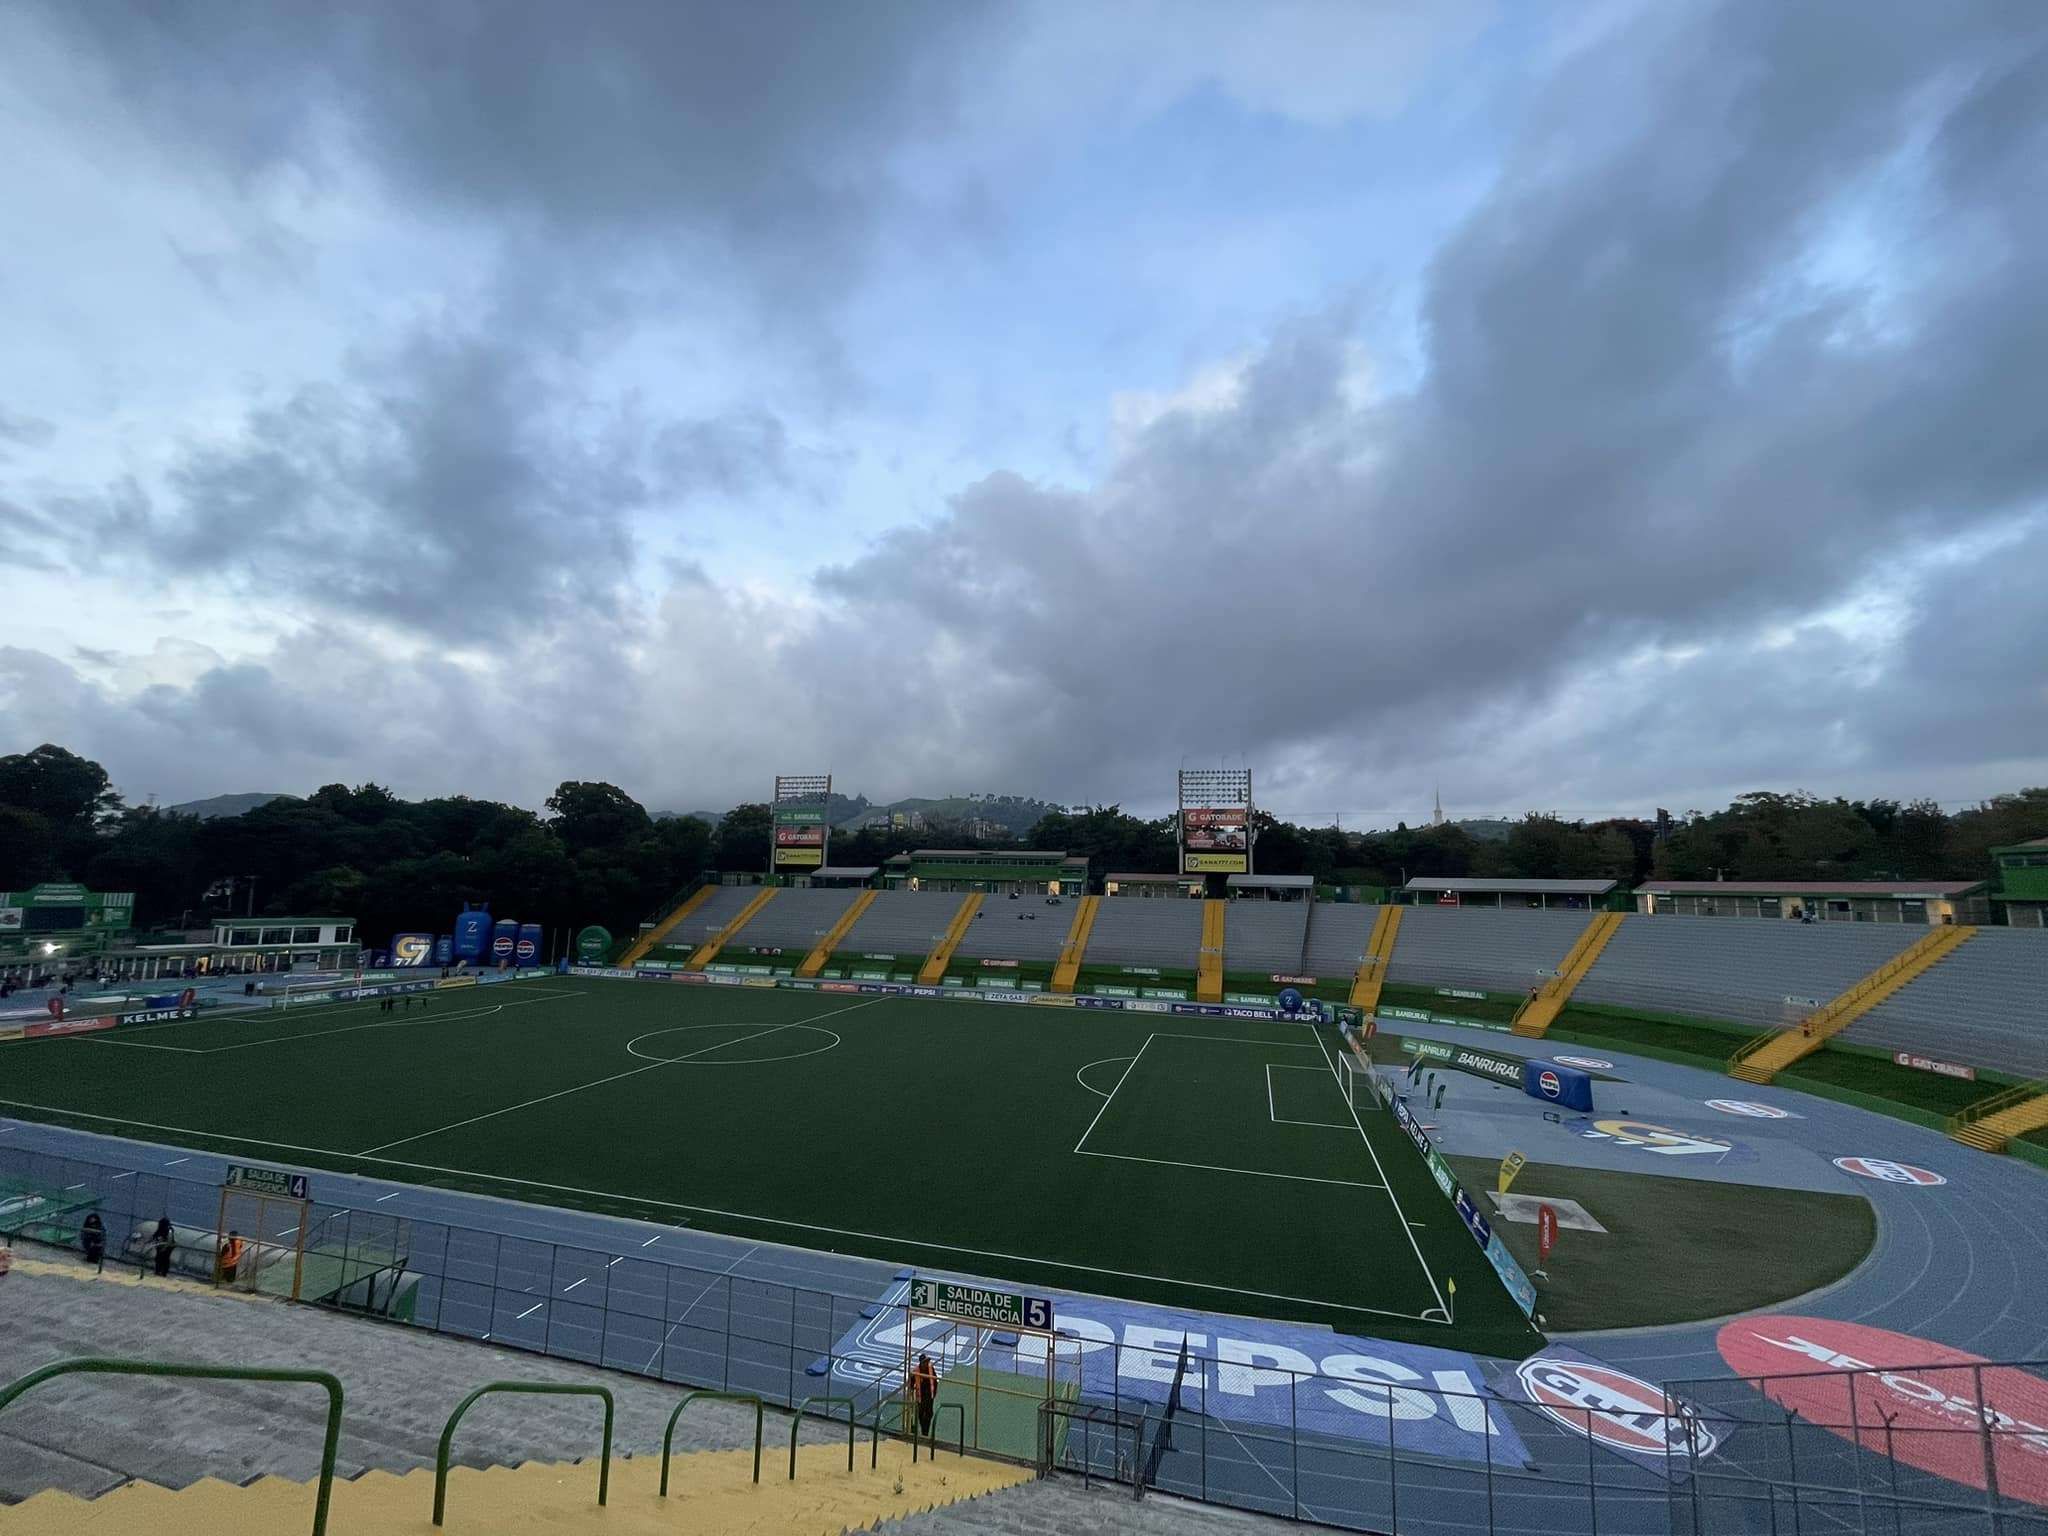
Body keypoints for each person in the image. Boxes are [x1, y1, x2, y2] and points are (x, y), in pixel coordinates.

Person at [910, 1351, 940, 1441]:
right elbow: (912, 1382)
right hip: (921, 1397)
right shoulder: (916, 1370)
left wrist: (934, 1392)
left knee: (929, 1414)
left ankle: (925, 1432)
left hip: (930, 1396)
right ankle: (924, 1431)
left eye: (927, 1361)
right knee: (921, 1414)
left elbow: (935, 1379)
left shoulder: (931, 1368)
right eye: (925, 1361)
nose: (927, 1363)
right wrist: (912, 1388)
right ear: (921, 1363)